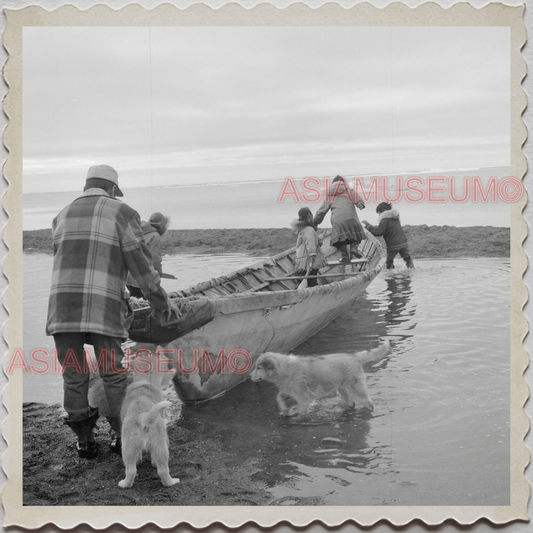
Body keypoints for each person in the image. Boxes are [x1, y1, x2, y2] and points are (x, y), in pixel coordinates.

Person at [46, 164, 179, 460]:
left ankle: (85, 443)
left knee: (73, 373)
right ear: (112, 190)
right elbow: (141, 266)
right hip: (103, 308)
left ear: (86, 186)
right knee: (113, 374)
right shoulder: (123, 213)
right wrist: (160, 301)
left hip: (63, 308)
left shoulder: (62, 214)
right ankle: (122, 437)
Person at [313, 175, 366, 263]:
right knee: (356, 234)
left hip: (338, 222)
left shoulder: (330, 196)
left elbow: (321, 211)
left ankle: (345, 256)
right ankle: (354, 249)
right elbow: (358, 200)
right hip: (352, 219)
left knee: (338, 240)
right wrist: (360, 204)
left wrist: (315, 222)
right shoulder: (349, 191)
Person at [126, 212, 174, 298]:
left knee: (135, 300)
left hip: (128, 278)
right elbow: (155, 260)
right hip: (143, 279)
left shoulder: (136, 231)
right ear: (162, 226)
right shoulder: (155, 236)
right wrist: (158, 275)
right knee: (150, 301)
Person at [362, 202, 414, 269]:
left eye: (379, 213)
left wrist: (368, 226)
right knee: (407, 257)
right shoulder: (395, 218)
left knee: (389, 260)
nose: (379, 215)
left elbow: (379, 232)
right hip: (403, 243)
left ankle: (390, 273)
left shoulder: (384, 220)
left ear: (382, 212)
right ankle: (411, 268)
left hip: (393, 245)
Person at [291, 207, 327, 287]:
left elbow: (306, 242)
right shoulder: (309, 229)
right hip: (308, 262)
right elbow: (311, 247)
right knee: (311, 283)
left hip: (301, 261)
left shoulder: (302, 228)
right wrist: (311, 262)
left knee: (304, 281)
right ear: (309, 216)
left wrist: (318, 242)